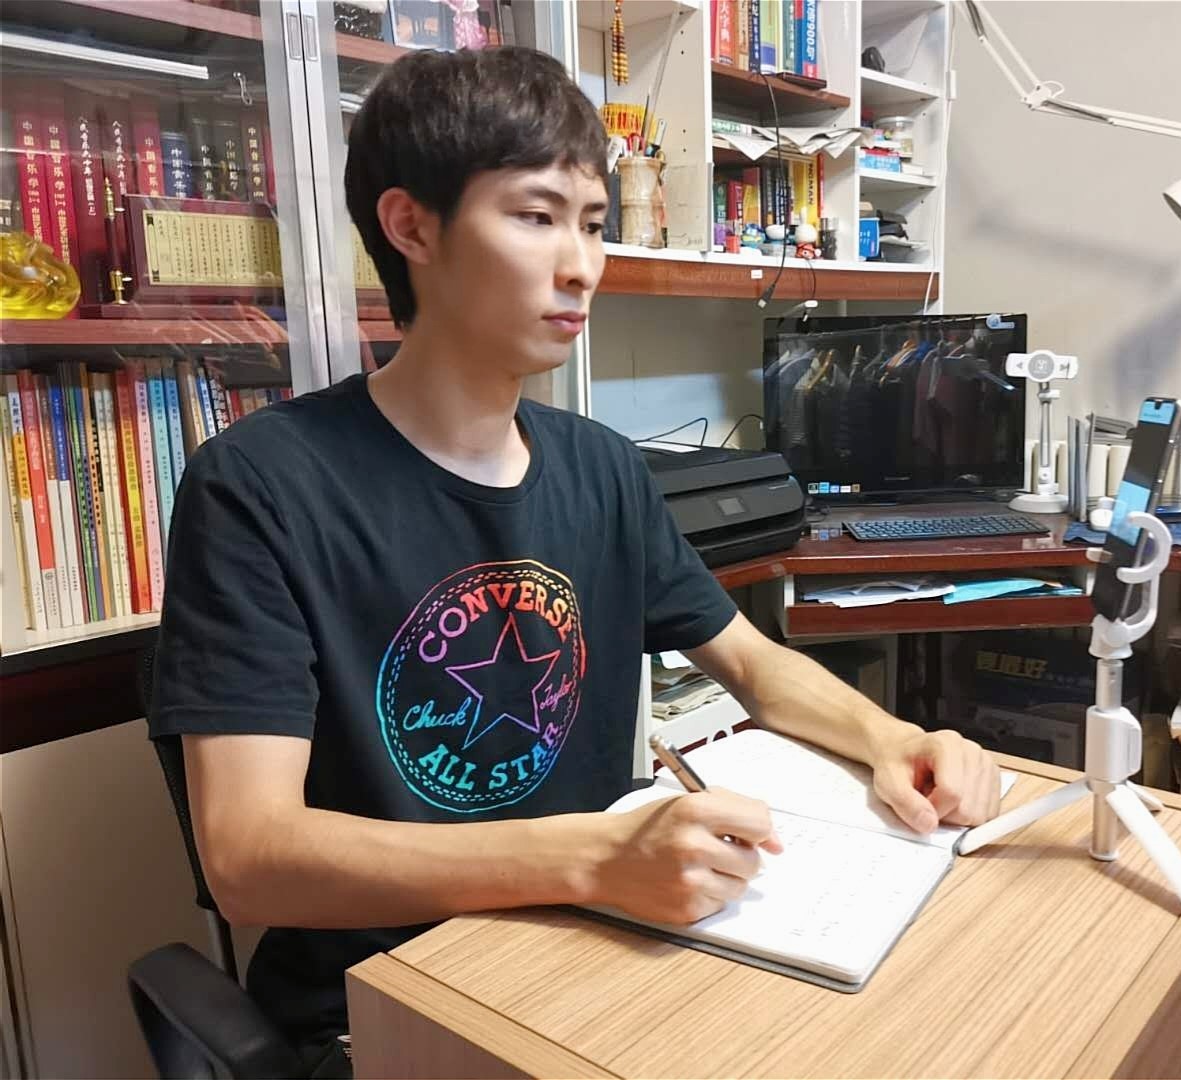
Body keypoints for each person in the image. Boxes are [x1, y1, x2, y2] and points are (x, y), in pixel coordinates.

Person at [148, 45, 1001, 1073]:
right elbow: (248, 860)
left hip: (600, 947)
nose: (582, 265)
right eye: (536, 216)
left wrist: (894, 737)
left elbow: (751, 662)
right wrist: (593, 858)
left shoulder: (601, 466)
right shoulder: (261, 485)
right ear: (410, 226)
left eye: (593, 224)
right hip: (383, 1002)